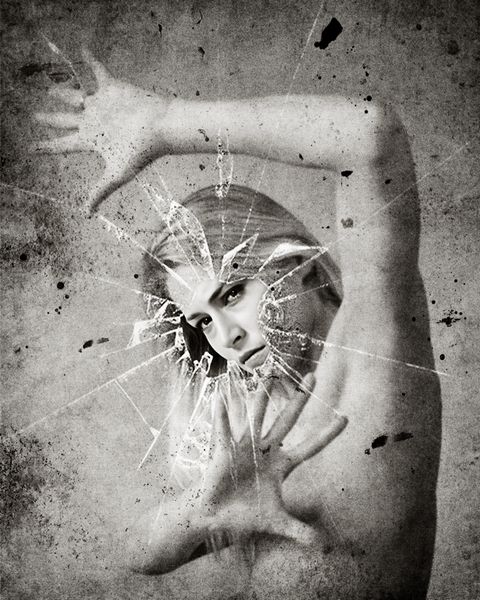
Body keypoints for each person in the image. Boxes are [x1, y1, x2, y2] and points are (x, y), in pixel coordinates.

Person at [33, 50, 441, 600]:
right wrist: (198, 516)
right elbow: (134, 555)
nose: (227, 336)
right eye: (202, 320)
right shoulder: (250, 425)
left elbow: (369, 134)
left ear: (298, 264)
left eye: (233, 293)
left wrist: (165, 123)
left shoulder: (375, 350)